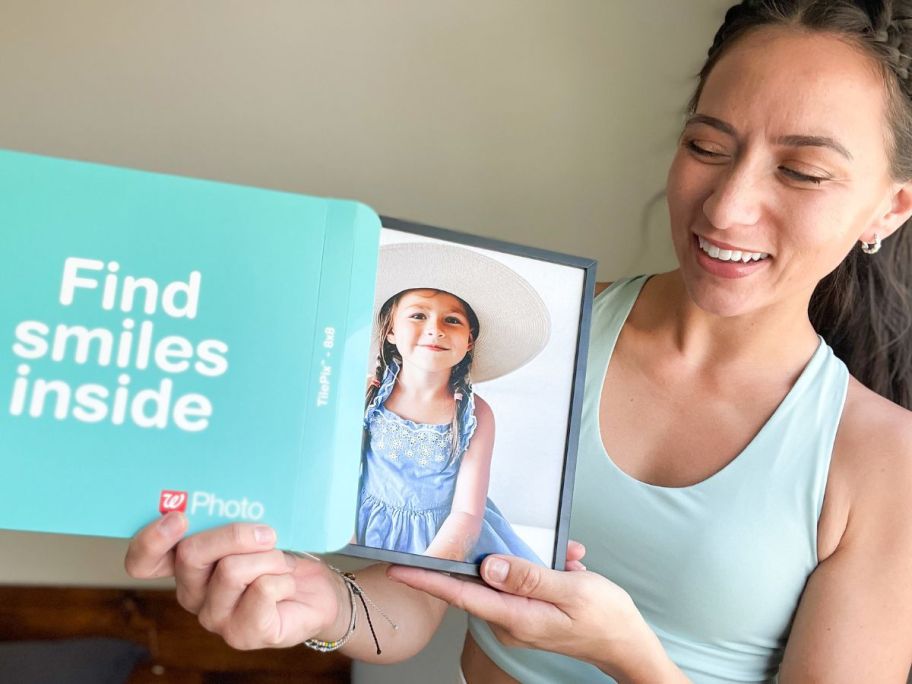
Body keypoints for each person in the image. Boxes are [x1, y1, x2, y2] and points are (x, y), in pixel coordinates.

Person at [124, 1, 912, 681]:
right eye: (707, 146)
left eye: (803, 172)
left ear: (890, 208)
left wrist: (629, 657)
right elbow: (420, 598)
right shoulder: (550, 341)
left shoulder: (885, 465)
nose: (728, 207)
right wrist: (314, 601)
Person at [356, 241, 549, 564]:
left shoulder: (476, 414)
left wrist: (429, 567)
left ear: (469, 341)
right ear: (390, 331)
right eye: (418, 315)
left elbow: (466, 512)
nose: (435, 329)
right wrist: (347, 545)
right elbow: (340, 476)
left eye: (453, 321)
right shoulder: (367, 394)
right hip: (360, 526)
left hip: (446, 539)